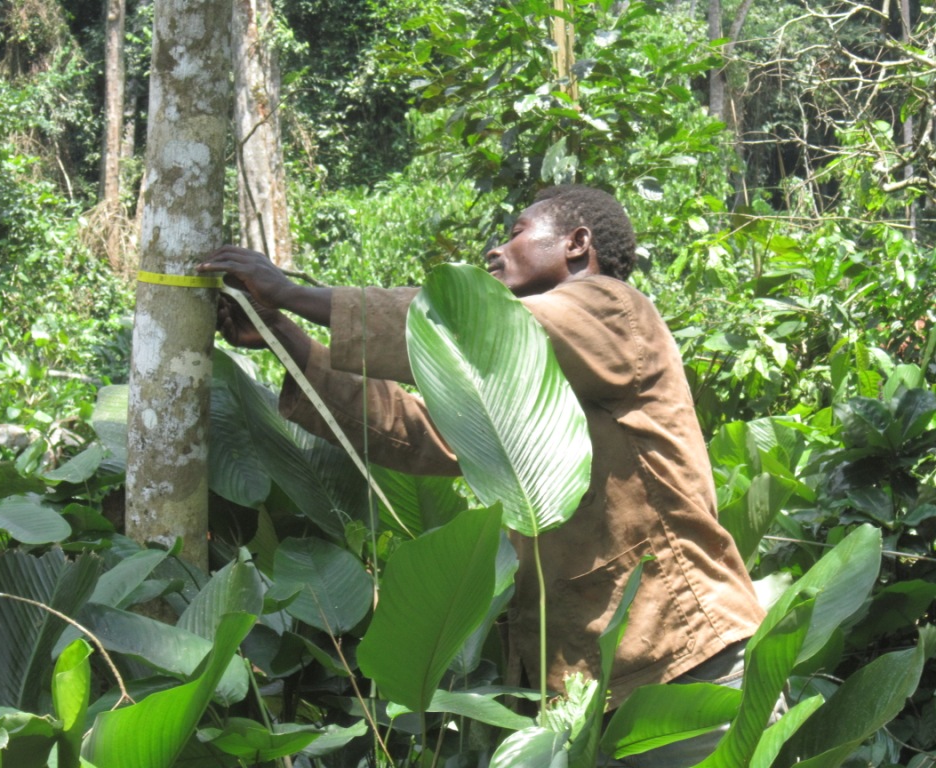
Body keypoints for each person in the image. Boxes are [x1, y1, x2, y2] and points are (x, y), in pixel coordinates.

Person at [198, 185, 766, 766]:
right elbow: (415, 428)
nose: (495, 250)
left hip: (687, 658)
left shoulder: (613, 311)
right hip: (594, 691)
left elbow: (469, 326)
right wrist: (283, 334)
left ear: (577, 244)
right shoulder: (523, 377)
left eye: (517, 233)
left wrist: (293, 294)